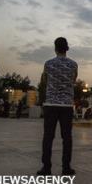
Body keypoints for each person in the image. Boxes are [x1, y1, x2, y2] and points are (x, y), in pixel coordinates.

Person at [37, 37, 78, 176]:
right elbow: (73, 80)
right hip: (66, 105)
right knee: (67, 137)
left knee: (48, 137)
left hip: (51, 104)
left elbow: (44, 81)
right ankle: (66, 168)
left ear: (55, 48)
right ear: (67, 48)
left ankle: (46, 168)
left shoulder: (48, 64)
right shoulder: (74, 65)